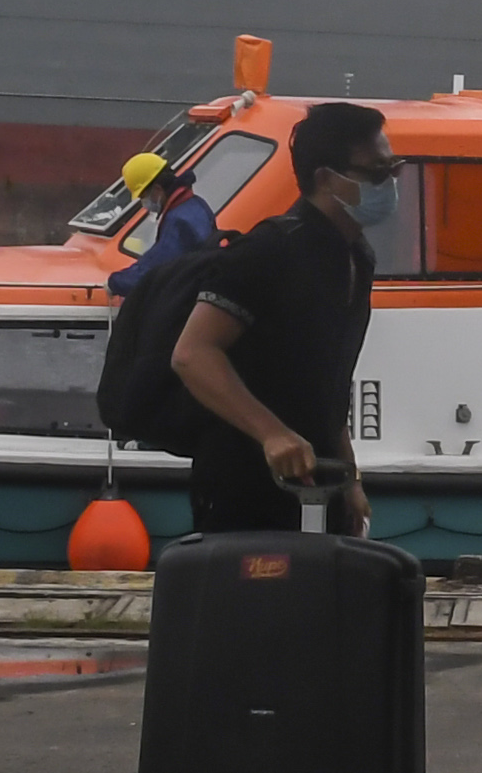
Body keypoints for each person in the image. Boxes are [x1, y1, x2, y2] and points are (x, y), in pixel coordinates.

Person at [168, 104, 395, 536]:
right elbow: (192, 353)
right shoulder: (269, 251)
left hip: (320, 481)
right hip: (246, 484)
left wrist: (350, 478)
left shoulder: (356, 257)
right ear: (328, 178)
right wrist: (272, 434)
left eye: (393, 169)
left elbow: (327, 386)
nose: (389, 185)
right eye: (376, 172)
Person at [106, 150, 222, 297]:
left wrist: (116, 282)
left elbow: (155, 270)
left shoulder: (179, 221)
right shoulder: (194, 204)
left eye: (143, 196)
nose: (144, 203)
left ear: (157, 189)